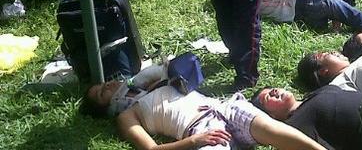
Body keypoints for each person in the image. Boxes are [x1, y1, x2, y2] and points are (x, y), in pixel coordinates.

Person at [82, 76, 327, 149]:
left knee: (272, 131)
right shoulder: (126, 117)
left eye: (103, 84)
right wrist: (194, 141)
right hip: (201, 130)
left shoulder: (147, 84)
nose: (108, 85)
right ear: (107, 107)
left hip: (223, 107)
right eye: (102, 93)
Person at [251, 85, 362, 150]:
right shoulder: (295, 128)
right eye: (268, 97)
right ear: (271, 116)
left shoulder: (314, 94)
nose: (274, 91)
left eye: (273, 89)